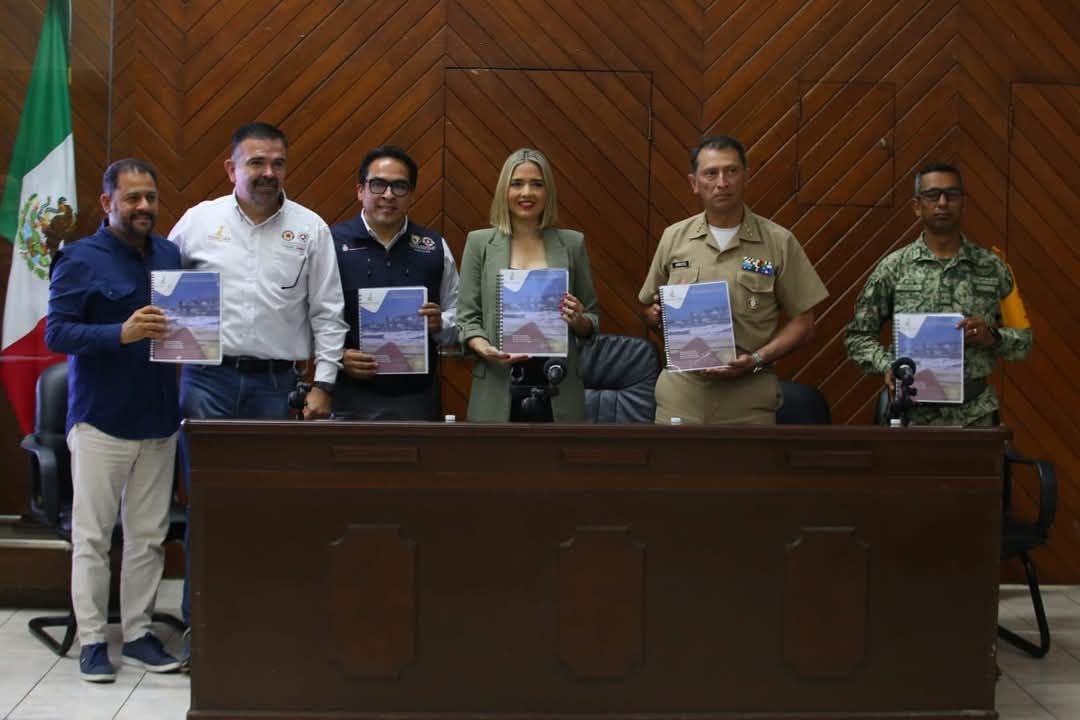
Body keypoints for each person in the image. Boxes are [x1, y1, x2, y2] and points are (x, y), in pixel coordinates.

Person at [168, 121, 348, 664]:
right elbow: (159, 293)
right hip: (206, 380)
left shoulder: (310, 228)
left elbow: (329, 312)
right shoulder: (197, 224)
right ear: (232, 169)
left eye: (276, 164)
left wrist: (324, 383)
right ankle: (201, 627)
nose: (267, 173)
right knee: (208, 505)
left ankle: (263, 623)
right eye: (256, 163)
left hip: (276, 386)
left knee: (269, 506)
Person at [45, 159, 183, 682]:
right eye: (132, 199)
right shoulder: (79, 258)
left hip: (159, 417)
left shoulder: (170, 253)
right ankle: (93, 641)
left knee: (148, 537)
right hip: (100, 419)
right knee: (94, 538)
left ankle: (142, 633)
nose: (144, 207)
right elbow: (56, 334)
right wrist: (117, 334)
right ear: (108, 203)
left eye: (150, 197)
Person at [639, 135, 828, 424]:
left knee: (747, 471)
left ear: (745, 177)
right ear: (694, 183)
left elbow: (805, 323)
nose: (722, 182)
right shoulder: (673, 238)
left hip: (748, 397)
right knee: (676, 470)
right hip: (682, 395)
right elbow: (649, 312)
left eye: (731, 171)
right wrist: (655, 314)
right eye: (711, 173)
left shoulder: (778, 241)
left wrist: (757, 359)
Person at [844, 163, 1033, 426]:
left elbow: (1024, 339)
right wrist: (889, 366)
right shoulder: (893, 268)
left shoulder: (995, 268)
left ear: (963, 204)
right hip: (911, 415)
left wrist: (992, 336)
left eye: (952, 195)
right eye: (933, 195)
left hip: (974, 416)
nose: (943, 203)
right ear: (917, 206)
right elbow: (858, 337)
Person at [457, 148, 599, 422]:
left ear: (548, 192)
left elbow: (592, 318)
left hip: (558, 384)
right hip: (498, 381)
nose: (527, 193)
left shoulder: (572, 243)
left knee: (558, 464)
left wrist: (579, 319)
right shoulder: (479, 244)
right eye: (517, 184)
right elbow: (466, 318)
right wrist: (483, 347)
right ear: (504, 190)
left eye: (537, 184)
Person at [330, 146, 460, 420]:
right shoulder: (331, 243)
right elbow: (309, 317)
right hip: (350, 394)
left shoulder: (434, 247)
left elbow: (460, 317)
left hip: (417, 397)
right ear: (360, 190)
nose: (388, 195)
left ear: (412, 195)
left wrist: (440, 325)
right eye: (378, 185)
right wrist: (339, 358)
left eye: (400, 186)